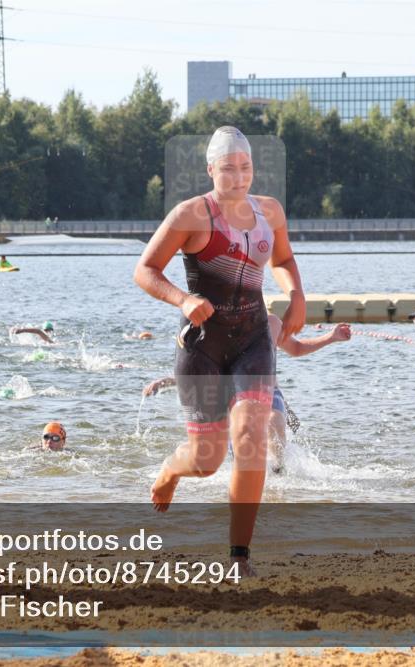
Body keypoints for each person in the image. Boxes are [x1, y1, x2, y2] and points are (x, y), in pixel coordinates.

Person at [133, 125, 305, 574]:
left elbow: (283, 260)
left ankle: (239, 555)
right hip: (203, 346)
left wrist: (297, 296)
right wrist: (184, 299)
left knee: (251, 439)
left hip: (253, 339)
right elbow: (146, 270)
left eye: (246, 167)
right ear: (211, 170)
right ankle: (172, 470)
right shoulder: (191, 215)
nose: (239, 176)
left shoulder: (270, 211)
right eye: (228, 168)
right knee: (206, 461)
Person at [144, 317, 351, 473]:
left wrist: (331, 337)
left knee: (275, 428)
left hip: (269, 390)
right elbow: (201, 365)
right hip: (234, 395)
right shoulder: (221, 326)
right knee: (241, 453)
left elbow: (295, 348)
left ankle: (278, 479)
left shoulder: (272, 323)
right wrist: (167, 381)